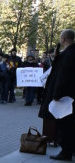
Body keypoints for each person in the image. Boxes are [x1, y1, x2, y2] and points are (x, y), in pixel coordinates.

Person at [39, 29, 75, 161]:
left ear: (63, 39)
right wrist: (56, 58)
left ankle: (66, 152)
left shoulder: (68, 55)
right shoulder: (68, 53)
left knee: (64, 124)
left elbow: (63, 76)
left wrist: (56, 94)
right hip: (71, 95)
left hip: (65, 97)